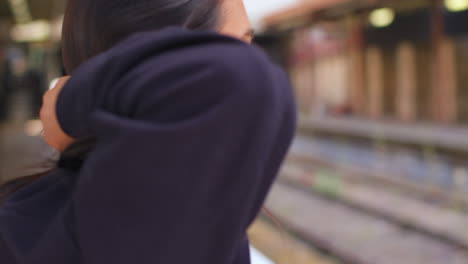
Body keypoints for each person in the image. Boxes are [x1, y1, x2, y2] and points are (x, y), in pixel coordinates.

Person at [0, 0, 296, 263]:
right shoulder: (168, 231)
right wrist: (69, 106)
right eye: (237, 42)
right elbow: (242, 77)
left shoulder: (30, 219)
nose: (251, 55)